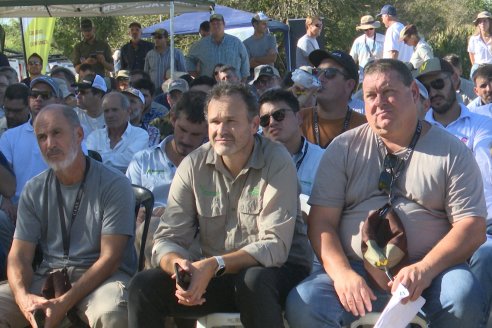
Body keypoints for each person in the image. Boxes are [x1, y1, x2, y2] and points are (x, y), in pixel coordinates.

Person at [286, 58, 487, 328]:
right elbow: (321, 223)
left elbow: (472, 227)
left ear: (414, 93)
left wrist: (424, 270)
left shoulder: (451, 151)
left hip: (433, 271)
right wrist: (343, 273)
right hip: (356, 268)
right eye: (370, 95)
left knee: (462, 296)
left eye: (389, 92)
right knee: (305, 303)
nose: (379, 101)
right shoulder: (343, 148)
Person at [127, 83, 312, 328]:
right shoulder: (194, 165)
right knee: (143, 287)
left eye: (231, 121)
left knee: (254, 280)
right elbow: (168, 236)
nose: (221, 130)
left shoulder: (277, 160)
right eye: (215, 122)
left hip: (276, 271)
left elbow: (275, 247)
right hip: (216, 273)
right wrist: (178, 265)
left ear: (254, 124)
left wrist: (214, 265)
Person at [0, 104, 136, 327]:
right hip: (49, 276)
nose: (49, 144)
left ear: (79, 134)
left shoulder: (114, 184)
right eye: (42, 137)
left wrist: (63, 303)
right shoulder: (34, 189)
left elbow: (111, 260)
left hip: (101, 281)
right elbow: (19, 257)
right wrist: (23, 298)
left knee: (113, 311)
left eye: (56, 133)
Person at [416, 57, 492, 327]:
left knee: (485, 253)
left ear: (456, 82)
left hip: (480, 220)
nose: (433, 92)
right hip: (433, 224)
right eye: (425, 87)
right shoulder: (416, 129)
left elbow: (484, 168)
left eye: (438, 83)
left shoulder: (482, 124)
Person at [126, 90, 208, 269]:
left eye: (195, 135)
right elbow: (125, 207)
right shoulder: (143, 160)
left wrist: (176, 215)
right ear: (172, 119)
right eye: (183, 130)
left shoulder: (211, 165)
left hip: (192, 239)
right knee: (150, 227)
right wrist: (137, 215)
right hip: (145, 236)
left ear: (207, 131)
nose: (186, 140)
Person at [259, 88, 323, 197]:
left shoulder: (323, 160)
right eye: (265, 120)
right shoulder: (253, 162)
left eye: (279, 115)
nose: (272, 123)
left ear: (298, 118)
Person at [300, 49, 367, 148]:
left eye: (329, 73)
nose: (320, 78)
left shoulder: (364, 128)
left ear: (349, 85)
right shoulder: (298, 119)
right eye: (317, 72)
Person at [86, 91, 148, 172]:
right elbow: (88, 161)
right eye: (106, 111)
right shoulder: (94, 136)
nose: (110, 115)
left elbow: (130, 160)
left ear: (128, 111)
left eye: (115, 110)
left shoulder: (140, 135)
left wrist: (98, 158)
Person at [186, 14, 250, 81]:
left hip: (233, 86)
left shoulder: (236, 43)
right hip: (210, 86)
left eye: (218, 23)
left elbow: (245, 64)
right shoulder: (200, 45)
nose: (215, 26)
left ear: (224, 24)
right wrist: (198, 78)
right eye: (213, 24)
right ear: (210, 25)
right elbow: (189, 60)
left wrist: (242, 83)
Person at [144, 28, 187, 96]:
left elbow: (183, 74)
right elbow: (146, 74)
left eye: (159, 37)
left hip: (171, 91)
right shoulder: (149, 54)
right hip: (154, 91)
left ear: (166, 38)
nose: (156, 39)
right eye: (155, 37)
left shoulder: (176, 53)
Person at [71, 74, 107, 138]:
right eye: (77, 91)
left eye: (83, 92)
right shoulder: (73, 115)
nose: (78, 96)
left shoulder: (112, 116)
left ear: (98, 95)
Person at [350, 15, 384, 80]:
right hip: (363, 78)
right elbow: (352, 61)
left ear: (374, 28)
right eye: (366, 29)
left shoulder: (383, 39)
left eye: (371, 28)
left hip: (380, 77)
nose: (369, 31)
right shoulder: (358, 41)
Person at [468, 11, 492, 79]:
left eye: (485, 21)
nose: (482, 24)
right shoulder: (474, 39)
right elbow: (471, 54)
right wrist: (476, 67)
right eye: (480, 22)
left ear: (490, 23)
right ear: (478, 24)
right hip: (478, 69)